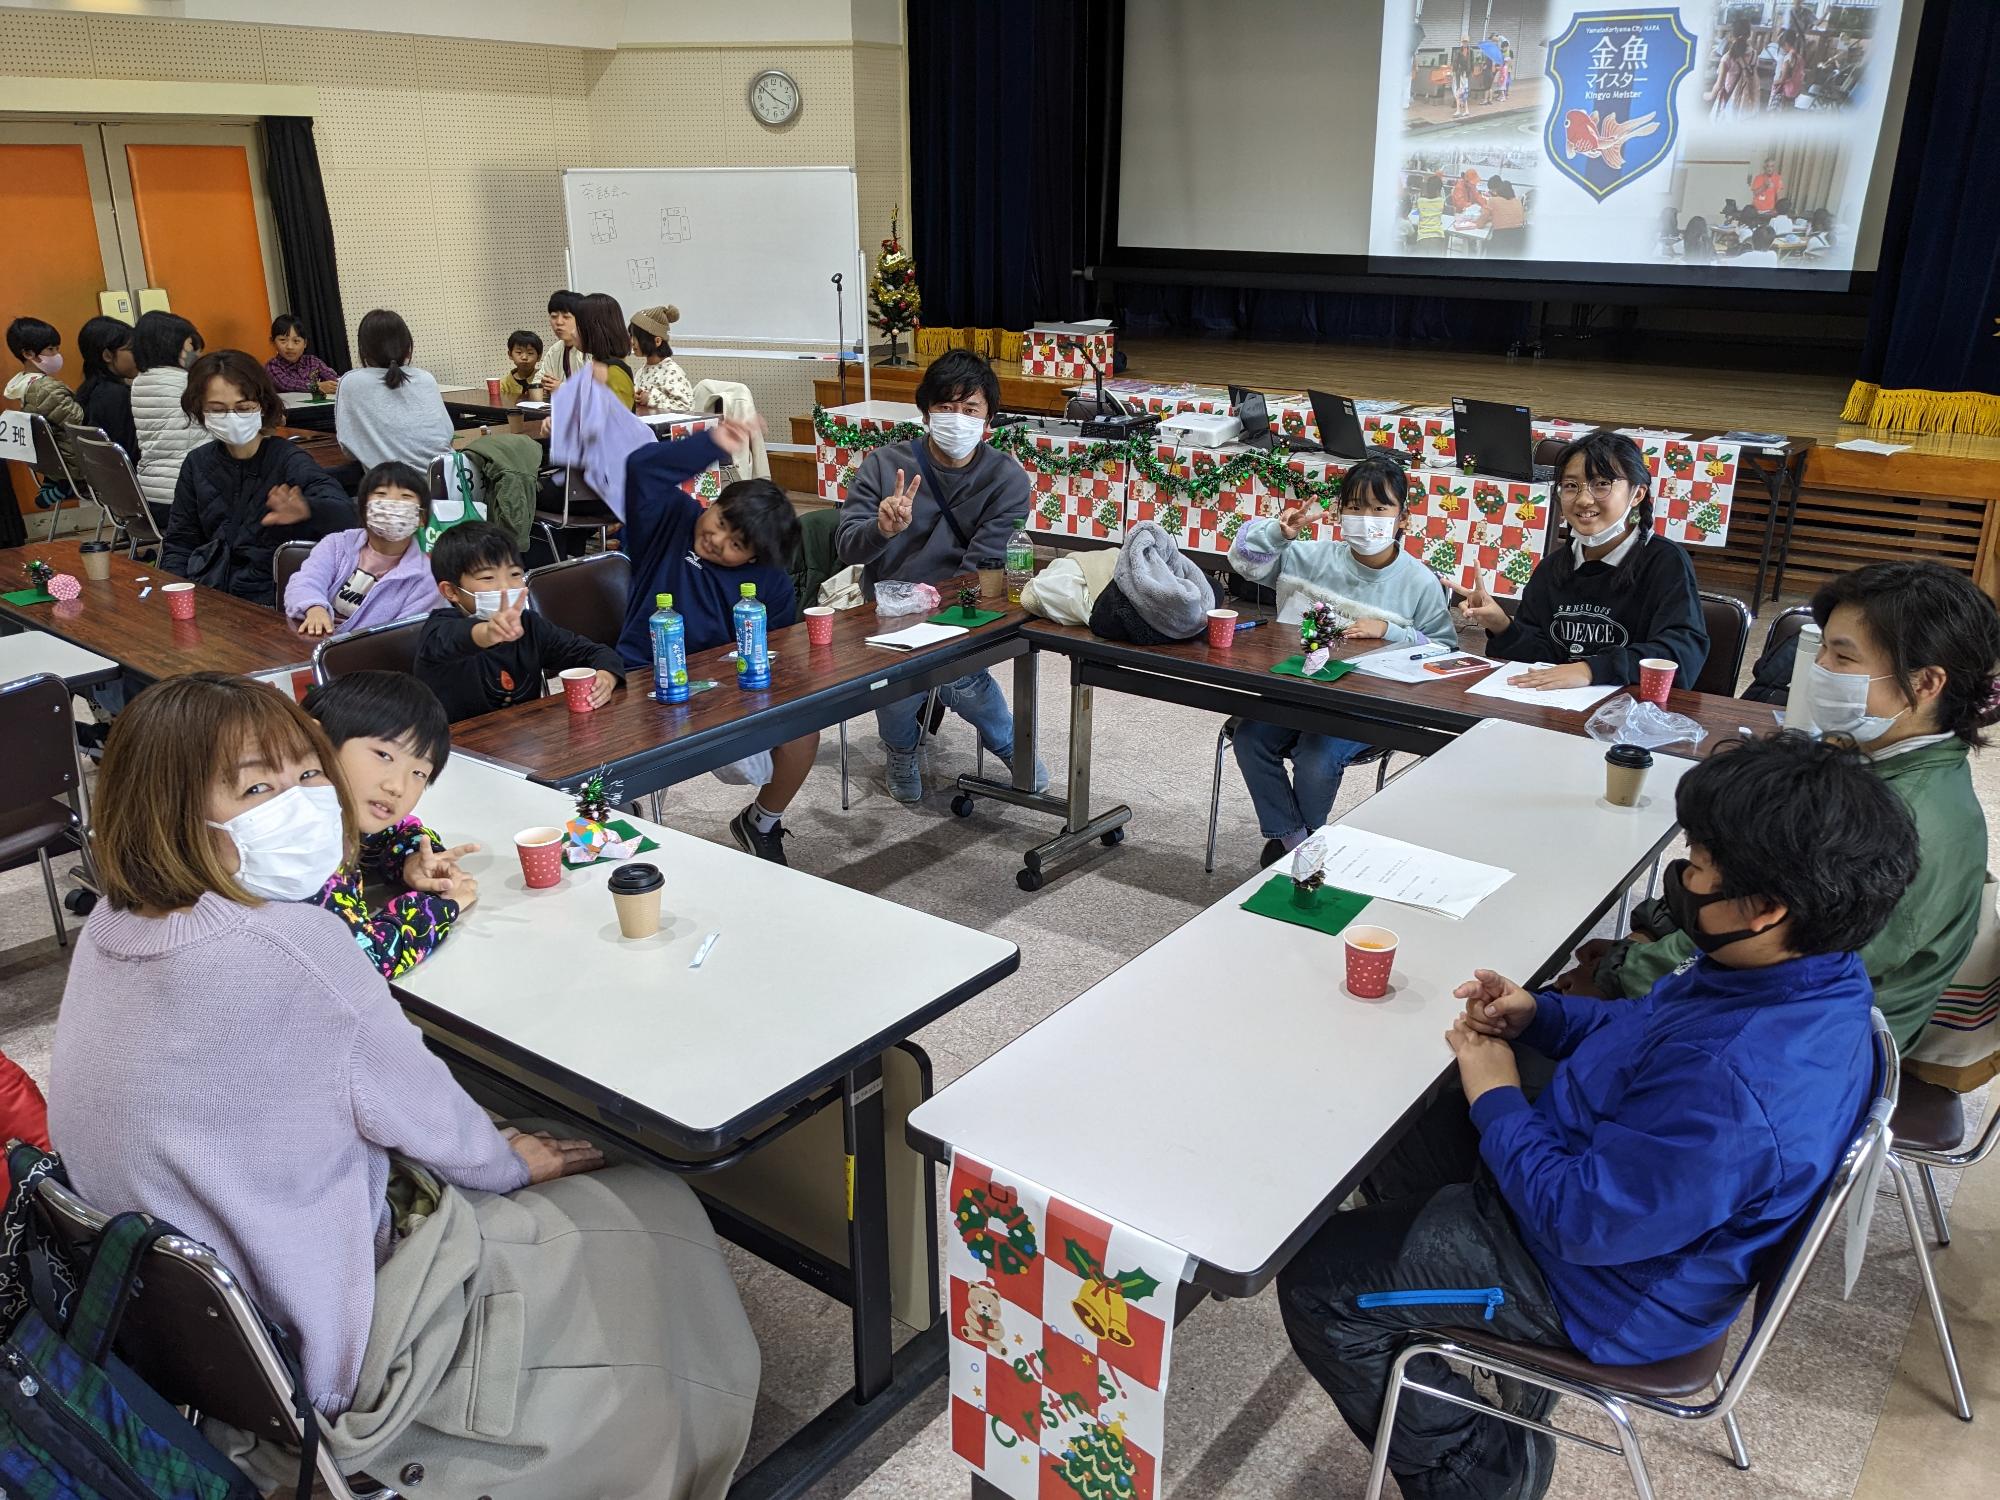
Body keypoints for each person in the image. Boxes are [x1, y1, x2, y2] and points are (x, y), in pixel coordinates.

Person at [46, 672, 758, 1496]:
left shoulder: (110, 926)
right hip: (324, 1335)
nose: (304, 802)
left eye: (308, 775)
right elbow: (437, 1122)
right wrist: (513, 1164)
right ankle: (683, 1444)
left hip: (189, 1334)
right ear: (170, 807)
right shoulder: (296, 945)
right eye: (257, 788)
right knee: (647, 1198)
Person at [1278, 730, 1918, 1500]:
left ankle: (1478, 1472)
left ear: (1767, 908)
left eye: (1700, 866)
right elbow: (1639, 1031)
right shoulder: (1789, 970)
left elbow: (1580, 1220)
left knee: (1319, 1280)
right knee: (1394, 1101)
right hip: (1607, 1192)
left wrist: (1498, 1094)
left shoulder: (1741, 1083)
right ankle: (1468, 1324)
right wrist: (1537, 1017)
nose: (1683, 876)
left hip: (1595, 1287)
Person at [1574, 560, 1999, 1054]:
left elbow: (1761, 945)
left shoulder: (1902, 820)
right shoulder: (1880, 760)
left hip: (1799, 1042)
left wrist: (1628, 972)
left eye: (1843, 658)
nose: (1820, 670)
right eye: (1823, 649)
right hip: (1781, 1006)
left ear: (1926, 683)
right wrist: (1652, 936)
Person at [835, 349, 1047, 802]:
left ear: (989, 418)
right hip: (890, 605)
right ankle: (902, 747)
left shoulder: (1005, 477)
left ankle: (1009, 743)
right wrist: (881, 528)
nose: (957, 418)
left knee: (953, 669)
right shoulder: (883, 465)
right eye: (945, 407)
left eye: (970, 409)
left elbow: (986, 565)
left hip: (964, 605)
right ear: (926, 412)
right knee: (897, 679)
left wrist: (943, 627)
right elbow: (847, 545)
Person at [1226, 456, 1455, 867]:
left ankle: (1298, 842)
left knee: (1317, 755)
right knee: (1250, 738)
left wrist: (1391, 632)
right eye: (1355, 506)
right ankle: (1297, 842)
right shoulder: (1308, 556)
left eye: (1379, 508)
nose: (1366, 518)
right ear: (1338, 512)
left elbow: (1446, 655)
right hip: (1298, 690)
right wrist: (1278, 534)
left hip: (1370, 704)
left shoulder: (1419, 582)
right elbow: (1244, 562)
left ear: (1402, 518)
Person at [615, 427, 820, 862]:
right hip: (641, 678)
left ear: (754, 557)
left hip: (723, 693)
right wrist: (712, 443)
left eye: (736, 545)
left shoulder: (770, 583)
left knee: (804, 728)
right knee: (615, 781)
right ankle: (626, 815)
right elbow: (639, 468)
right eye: (721, 522)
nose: (716, 540)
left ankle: (760, 822)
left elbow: (780, 651)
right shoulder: (670, 521)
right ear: (714, 504)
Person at [1454, 431, 1708, 691]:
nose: (1584, 499)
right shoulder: (1552, 568)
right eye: (1571, 486)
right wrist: (1502, 626)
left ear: (1637, 494)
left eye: (1601, 484)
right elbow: (1539, 657)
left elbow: (1679, 653)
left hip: (1627, 714)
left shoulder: (1664, 562)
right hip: (1557, 710)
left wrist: (1591, 669)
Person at [303, 670, 477, 978]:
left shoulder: (336, 815)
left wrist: (411, 858)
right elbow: (357, 962)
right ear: (316, 742)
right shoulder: (306, 844)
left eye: (419, 774)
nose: (398, 786)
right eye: (384, 754)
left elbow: (395, 831)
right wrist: (440, 907)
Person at [160, 349, 354, 605]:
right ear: (200, 410)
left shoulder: (287, 459)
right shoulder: (197, 463)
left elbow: (346, 517)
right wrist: (177, 594)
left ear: (261, 407)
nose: (231, 416)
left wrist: (308, 510)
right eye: (218, 410)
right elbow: (180, 541)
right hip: (213, 593)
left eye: (244, 407)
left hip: (272, 598)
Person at [413, 520, 625, 722]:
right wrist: (488, 633)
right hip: (456, 751)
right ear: (451, 591)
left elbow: (595, 652)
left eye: (514, 574)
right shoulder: (438, 631)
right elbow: (457, 639)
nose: (506, 586)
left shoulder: (528, 625)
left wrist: (607, 677)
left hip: (525, 745)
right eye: (488, 578)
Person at [285, 460, 441, 636]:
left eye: (406, 497)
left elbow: (402, 637)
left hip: (368, 656)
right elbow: (305, 580)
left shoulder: (426, 579)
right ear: (365, 510)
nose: (392, 503)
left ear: (421, 518)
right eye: (381, 494)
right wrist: (314, 607)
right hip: (311, 637)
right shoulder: (336, 545)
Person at [335, 308, 454, 470]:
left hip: (394, 489)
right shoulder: (426, 378)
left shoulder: (351, 382)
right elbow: (448, 437)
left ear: (363, 351)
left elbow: (348, 450)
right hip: (449, 482)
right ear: (408, 348)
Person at [130, 310, 206, 524]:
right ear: (171, 345)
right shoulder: (188, 384)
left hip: (150, 495)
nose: (196, 356)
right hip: (185, 497)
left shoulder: (140, 382)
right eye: (191, 348)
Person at [4, 316, 84, 474]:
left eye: (57, 349)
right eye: (51, 349)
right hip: (74, 465)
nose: (57, 355)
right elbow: (79, 420)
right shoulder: (47, 389)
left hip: (52, 465)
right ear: (28, 354)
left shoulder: (24, 384)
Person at [75, 313, 139, 459]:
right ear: (108, 356)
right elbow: (129, 456)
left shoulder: (89, 390)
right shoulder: (116, 396)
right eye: (132, 350)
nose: (139, 356)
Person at [572, 290, 636, 409]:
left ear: (593, 330)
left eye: (578, 326)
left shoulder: (613, 372)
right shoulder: (598, 366)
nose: (573, 332)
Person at [629, 303, 696, 412]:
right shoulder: (642, 371)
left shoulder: (671, 371)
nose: (632, 342)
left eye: (637, 337)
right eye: (631, 336)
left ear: (657, 341)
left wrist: (651, 398)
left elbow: (686, 407)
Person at [266, 312, 339, 397]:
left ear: (305, 343)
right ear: (273, 343)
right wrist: (316, 386)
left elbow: (333, 378)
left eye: (296, 341)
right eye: (283, 340)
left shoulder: (312, 361)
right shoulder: (272, 366)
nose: (290, 347)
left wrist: (334, 384)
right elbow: (287, 384)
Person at [536, 288, 583, 389]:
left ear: (580, 319)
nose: (559, 322)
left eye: (566, 317)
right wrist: (543, 383)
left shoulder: (590, 348)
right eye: (553, 316)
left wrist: (561, 387)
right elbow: (538, 379)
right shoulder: (555, 349)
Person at [500, 328, 546, 401]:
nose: (524, 357)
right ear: (510, 354)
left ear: (539, 357)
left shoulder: (544, 379)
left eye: (530, 353)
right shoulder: (504, 384)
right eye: (519, 352)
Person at [1450, 36, 1476, 119]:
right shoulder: (1458, 51)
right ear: (1461, 42)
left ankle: (1462, 110)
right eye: (1464, 42)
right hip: (1459, 73)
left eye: (1466, 42)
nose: (1465, 43)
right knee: (1459, 91)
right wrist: (1453, 72)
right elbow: (1455, 62)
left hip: (1466, 74)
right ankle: (1463, 110)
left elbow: (1472, 62)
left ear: (1468, 42)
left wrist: (1471, 71)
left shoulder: (1471, 51)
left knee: (1462, 91)